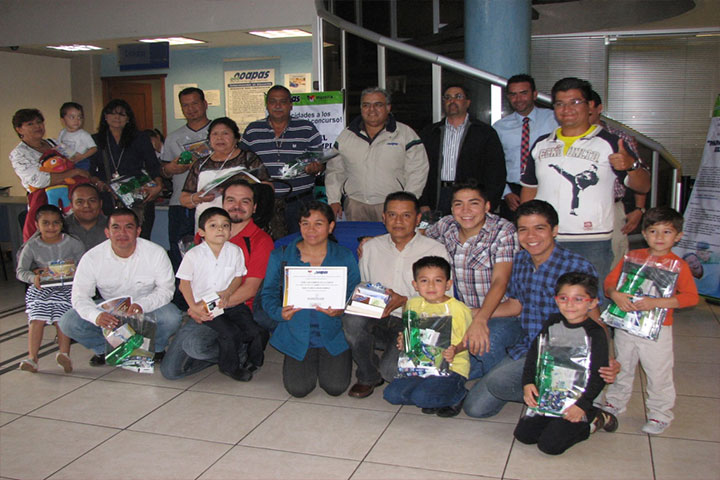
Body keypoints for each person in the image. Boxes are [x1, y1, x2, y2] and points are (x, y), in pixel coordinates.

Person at [463, 200, 618, 419]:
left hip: (563, 355)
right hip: (529, 347)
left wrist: (607, 358)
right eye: (523, 230)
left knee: (498, 382)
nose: (531, 236)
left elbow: (595, 318)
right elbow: (516, 305)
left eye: (539, 228)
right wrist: (474, 313)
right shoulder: (520, 261)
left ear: (554, 230)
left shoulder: (577, 266)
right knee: (475, 408)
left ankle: (566, 399)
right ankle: (545, 393)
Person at [520, 77, 651, 299]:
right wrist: (525, 229)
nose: (567, 109)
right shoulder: (542, 144)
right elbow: (529, 189)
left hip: (591, 239)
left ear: (590, 106)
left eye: (575, 102)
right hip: (545, 238)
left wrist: (631, 166)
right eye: (560, 104)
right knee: (546, 297)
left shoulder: (610, 142)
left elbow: (644, 186)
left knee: (591, 300)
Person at [161, 179, 274, 380]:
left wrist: (206, 308)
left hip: (234, 309)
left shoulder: (260, 241)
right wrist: (195, 307)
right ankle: (235, 351)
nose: (237, 206)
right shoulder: (204, 237)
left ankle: (236, 354)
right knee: (171, 371)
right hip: (204, 308)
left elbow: (249, 289)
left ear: (254, 207)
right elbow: (188, 280)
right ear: (222, 204)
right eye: (231, 200)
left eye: (245, 201)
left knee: (195, 346)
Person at [601, 207, 699, 435]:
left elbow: (691, 297)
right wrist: (615, 295)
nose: (659, 237)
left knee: (658, 372)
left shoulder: (679, 266)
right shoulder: (632, 258)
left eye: (667, 232)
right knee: (622, 366)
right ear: (644, 234)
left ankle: (660, 413)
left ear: (678, 236)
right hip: (626, 326)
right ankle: (615, 402)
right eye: (654, 231)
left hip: (658, 330)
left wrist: (657, 303)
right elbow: (610, 283)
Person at [343, 191, 450, 398]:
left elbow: (443, 303)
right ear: (383, 218)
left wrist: (405, 301)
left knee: (391, 372)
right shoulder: (371, 247)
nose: (398, 221)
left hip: (417, 321)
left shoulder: (436, 251)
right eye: (392, 215)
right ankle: (367, 375)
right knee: (352, 319)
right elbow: (364, 286)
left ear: (418, 219)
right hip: (380, 318)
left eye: (406, 215)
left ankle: (395, 357)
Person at [260, 201, 359, 397]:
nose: (311, 230)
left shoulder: (344, 256)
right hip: (297, 332)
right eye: (305, 223)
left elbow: (354, 294)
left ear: (331, 226)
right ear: (299, 225)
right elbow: (268, 293)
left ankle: (335, 355)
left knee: (335, 387)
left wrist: (341, 310)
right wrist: (279, 312)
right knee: (298, 389)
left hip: (333, 332)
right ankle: (306, 355)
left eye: (318, 224)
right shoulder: (281, 256)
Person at [58, 208, 181, 366]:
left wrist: (141, 305)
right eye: (116, 227)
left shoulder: (156, 253)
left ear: (138, 231)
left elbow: (166, 290)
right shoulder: (92, 258)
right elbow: (80, 296)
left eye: (128, 227)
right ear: (107, 232)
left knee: (172, 317)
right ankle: (104, 349)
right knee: (68, 322)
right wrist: (97, 316)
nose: (122, 233)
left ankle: (156, 348)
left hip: (145, 306)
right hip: (110, 309)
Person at [424, 181, 520, 379]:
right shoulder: (446, 226)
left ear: (487, 206)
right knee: (435, 359)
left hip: (502, 313)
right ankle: (463, 376)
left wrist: (480, 319)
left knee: (486, 342)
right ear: (452, 208)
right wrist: (374, 239)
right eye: (458, 204)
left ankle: (494, 383)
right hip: (463, 312)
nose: (465, 210)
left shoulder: (503, 231)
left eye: (473, 203)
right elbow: (419, 235)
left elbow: (500, 281)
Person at [514, 272, 610, 455]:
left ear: (592, 303)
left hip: (580, 400)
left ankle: (593, 419)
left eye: (578, 299)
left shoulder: (595, 333)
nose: (570, 304)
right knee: (524, 435)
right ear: (556, 299)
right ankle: (555, 420)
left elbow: (599, 375)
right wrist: (528, 383)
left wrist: (582, 405)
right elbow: (534, 355)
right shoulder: (552, 323)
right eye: (563, 298)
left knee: (549, 446)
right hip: (551, 395)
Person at [176, 207, 264, 381]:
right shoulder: (193, 255)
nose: (220, 229)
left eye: (225, 225)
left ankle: (253, 361)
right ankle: (230, 367)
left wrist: (229, 292)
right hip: (207, 306)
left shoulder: (235, 251)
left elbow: (238, 276)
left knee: (255, 331)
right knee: (230, 333)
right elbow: (183, 285)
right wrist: (194, 307)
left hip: (230, 302)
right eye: (213, 225)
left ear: (230, 231)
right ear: (201, 232)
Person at [383, 256, 472, 417]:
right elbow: (411, 334)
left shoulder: (458, 309)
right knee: (391, 395)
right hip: (420, 366)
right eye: (424, 281)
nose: (431, 286)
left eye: (438, 280)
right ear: (415, 285)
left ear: (448, 284)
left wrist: (456, 349)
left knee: (422, 398)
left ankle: (458, 394)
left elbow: (470, 339)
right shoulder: (412, 304)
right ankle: (433, 395)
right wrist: (404, 341)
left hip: (451, 367)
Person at [326, 87, 429, 221]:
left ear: (388, 107)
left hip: (393, 207)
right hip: (355, 205)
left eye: (378, 105)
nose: (372, 110)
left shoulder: (405, 134)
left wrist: (407, 201)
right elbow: (335, 170)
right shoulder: (346, 135)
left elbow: (418, 170)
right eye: (366, 105)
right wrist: (334, 200)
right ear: (361, 108)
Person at [241, 85, 323, 235]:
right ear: (267, 105)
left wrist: (316, 168)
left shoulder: (307, 129)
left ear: (291, 105)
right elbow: (242, 162)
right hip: (263, 203)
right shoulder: (253, 130)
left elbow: (320, 161)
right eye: (273, 101)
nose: (278, 106)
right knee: (265, 244)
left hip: (300, 202)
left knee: (300, 244)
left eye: (283, 101)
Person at [16, 205, 85, 373]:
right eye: (45, 223)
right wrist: (33, 278)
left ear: (62, 224)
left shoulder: (73, 243)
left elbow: (85, 265)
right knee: (37, 317)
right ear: (37, 225)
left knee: (62, 316)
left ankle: (64, 354)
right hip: (42, 288)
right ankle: (32, 358)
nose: (51, 227)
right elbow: (21, 271)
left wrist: (74, 271)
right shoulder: (31, 246)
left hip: (67, 287)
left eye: (56, 223)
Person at [419, 85, 506, 214]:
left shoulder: (484, 133)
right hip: (437, 196)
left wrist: (489, 204)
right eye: (447, 97)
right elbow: (420, 169)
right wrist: (423, 202)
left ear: (467, 102)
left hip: (471, 197)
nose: (452, 101)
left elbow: (496, 173)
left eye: (458, 97)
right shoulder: (430, 132)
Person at [588, 90, 648, 267]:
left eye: (589, 112)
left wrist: (639, 209)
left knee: (614, 260)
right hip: (576, 209)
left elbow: (639, 175)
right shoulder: (565, 139)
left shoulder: (620, 138)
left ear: (599, 108)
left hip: (611, 208)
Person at [10, 108, 90, 240]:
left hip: (70, 200)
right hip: (44, 204)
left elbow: (76, 159)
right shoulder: (19, 154)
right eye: (30, 124)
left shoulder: (55, 143)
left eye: (39, 122)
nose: (37, 126)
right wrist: (73, 172)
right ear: (19, 129)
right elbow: (40, 180)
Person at [88, 99, 163, 239]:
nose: (117, 117)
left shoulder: (141, 138)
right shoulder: (95, 140)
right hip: (108, 197)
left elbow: (153, 166)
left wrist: (158, 186)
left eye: (122, 114)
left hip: (138, 197)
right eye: (112, 113)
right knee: (112, 239)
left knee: (140, 239)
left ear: (128, 118)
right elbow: (90, 172)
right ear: (105, 116)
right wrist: (101, 185)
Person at [180, 117, 269, 230]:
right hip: (206, 222)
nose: (219, 138)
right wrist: (198, 198)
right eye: (215, 134)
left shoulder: (248, 158)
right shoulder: (200, 163)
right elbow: (184, 199)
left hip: (239, 220)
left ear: (236, 138)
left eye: (225, 133)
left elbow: (267, 188)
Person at [493, 74, 558, 222]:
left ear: (534, 94)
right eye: (513, 94)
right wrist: (506, 193)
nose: (518, 99)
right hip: (513, 194)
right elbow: (494, 165)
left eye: (523, 93)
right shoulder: (499, 127)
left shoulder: (554, 120)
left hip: (547, 187)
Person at [161, 87, 211, 270]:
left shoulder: (219, 132)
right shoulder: (173, 137)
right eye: (185, 105)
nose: (191, 109)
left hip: (212, 201)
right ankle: (182, 288)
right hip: (181, 204)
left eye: (195, 103)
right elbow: (164, 171)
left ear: (205, 104)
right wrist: (170, 169)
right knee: (181, 252)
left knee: (212, 249)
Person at [65, 183, 107, 250]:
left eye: (92, 201)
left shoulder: (113, 226)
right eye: (80, 202)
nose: (86, 205)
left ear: (100, 204)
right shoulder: (61, 227)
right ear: (71, 206)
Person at [57, 102, 97, 171]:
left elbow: (94, 148)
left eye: (80, 117)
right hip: (66, 161)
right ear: (63, 120)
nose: (77, 120)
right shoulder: (62, 132)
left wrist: (82, 157)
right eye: (72, 117)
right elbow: (59, 146)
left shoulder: (83, 134)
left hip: (80, 162)